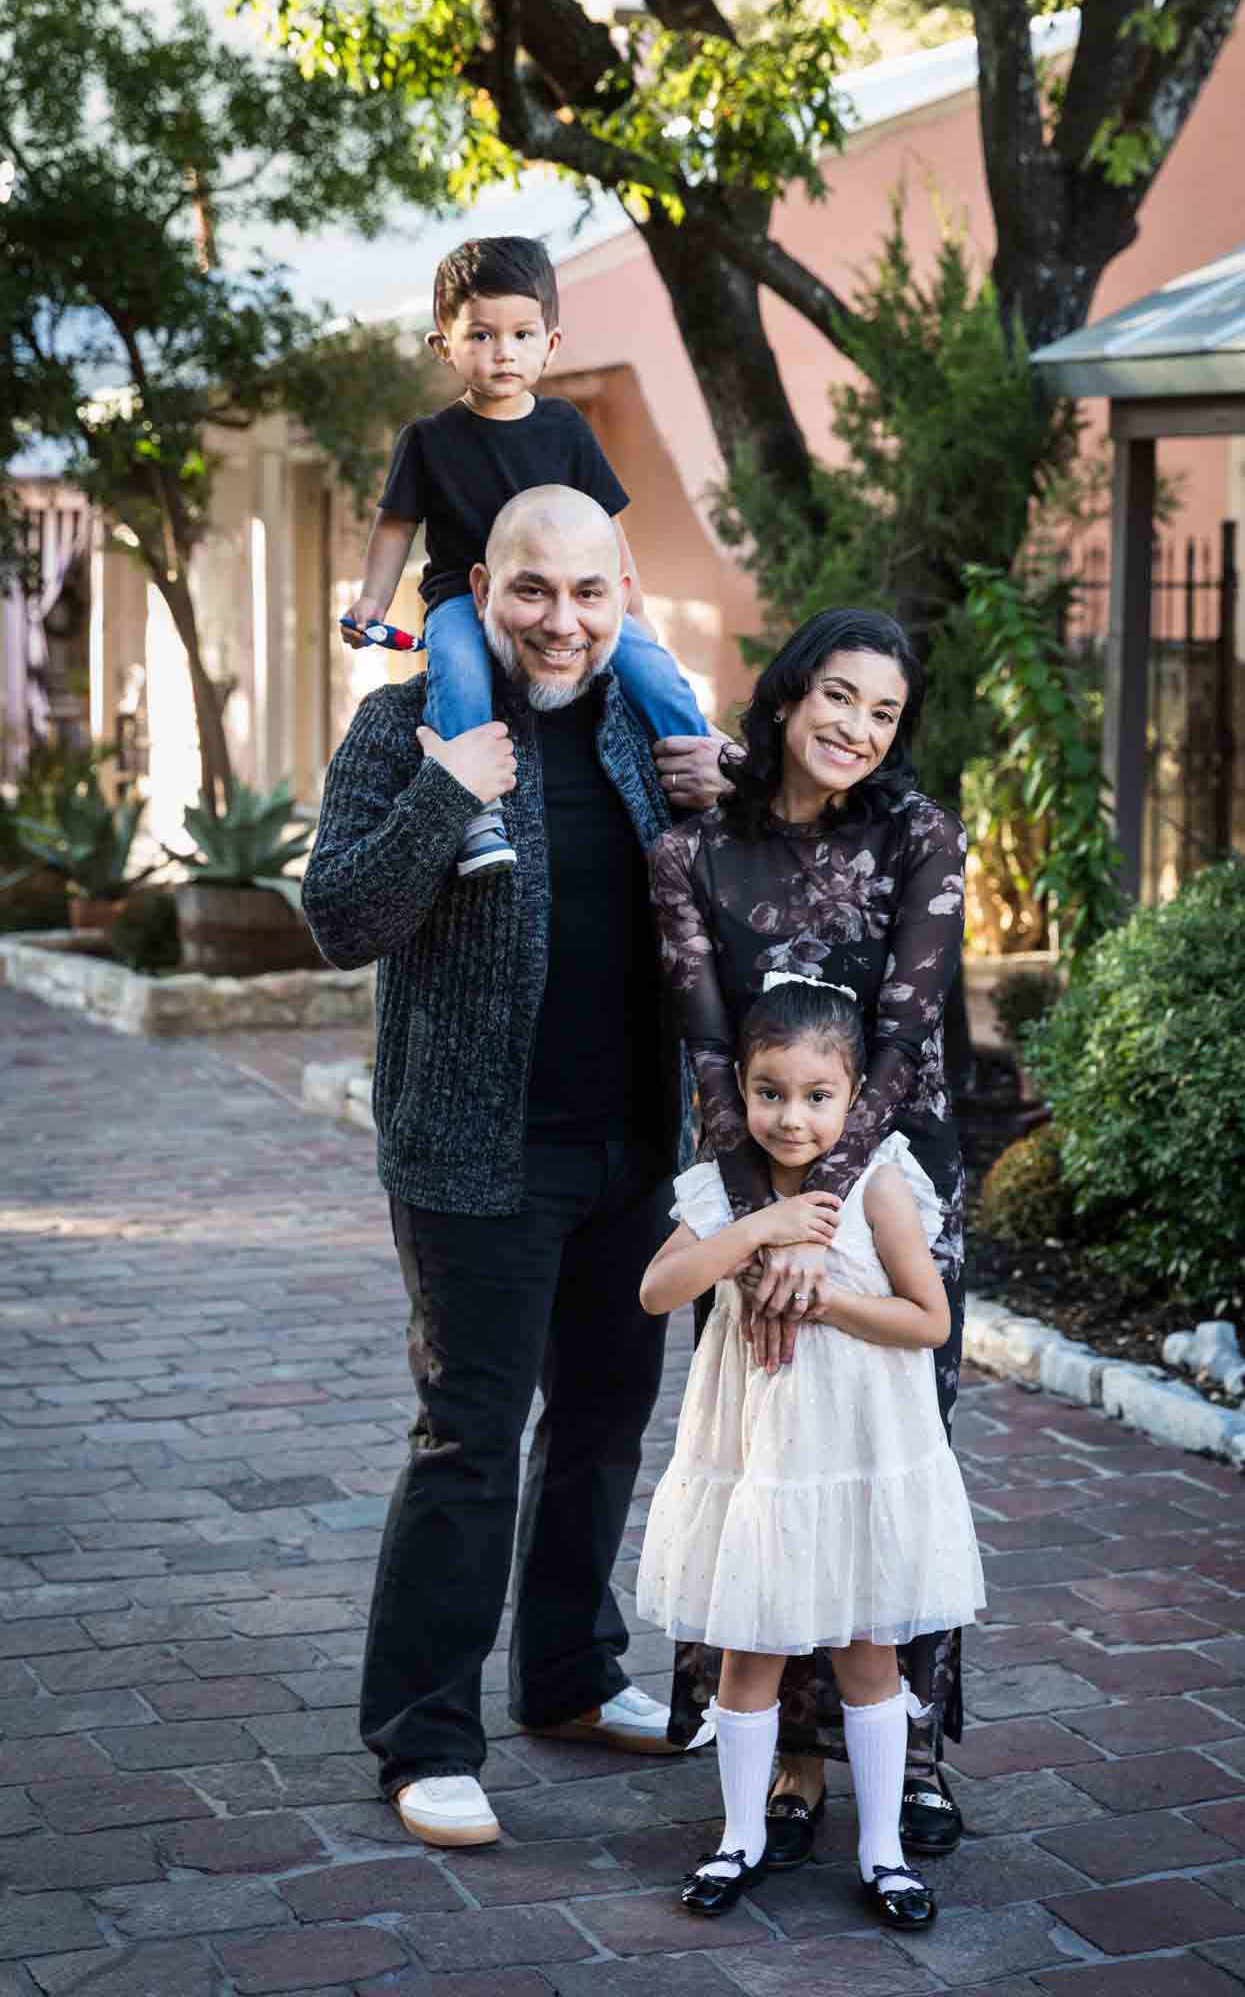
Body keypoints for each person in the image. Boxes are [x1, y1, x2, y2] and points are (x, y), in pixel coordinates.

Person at [302, 484, 727, 1851]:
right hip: (474, 1151)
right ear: (482, 590)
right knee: (470, 1440)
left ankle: (570, 1676)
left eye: (589, 593)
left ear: (622, 600)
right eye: (532, 591)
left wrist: (729, 813)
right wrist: (442, 795)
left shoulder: (649, 736)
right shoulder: (403, 724)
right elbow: (337, 918)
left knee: (605, 1421)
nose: (561, 619)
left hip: (631, 1148)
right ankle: (424, 1737)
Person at [648, 606, 972, 1868]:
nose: (855, 727)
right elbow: (707, 1045)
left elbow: (900, 1041)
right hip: (742, 1174)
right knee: (767, 1450)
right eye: (836, 696)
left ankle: (914, 1747)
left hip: (894, 1175)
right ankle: (783, 1747)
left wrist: (818, 1219)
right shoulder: (692, 851)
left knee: (893, 1451)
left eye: (883, 712)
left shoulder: (919, 834)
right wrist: (761, 1217)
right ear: (787, 696)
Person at [637, 977, 984, 1926]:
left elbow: (928, 1318)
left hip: (861, 1452)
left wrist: (820, 1298)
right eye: (769, 1093)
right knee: (747, 1651)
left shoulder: (879, 1183)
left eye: (817, 1096)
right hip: (762, 1466)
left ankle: (881, 1850)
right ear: (741, 1092)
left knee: (870, 1651)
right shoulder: (727, 1188)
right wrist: (757, 1230)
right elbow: (658, 1291)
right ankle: (738, 1837)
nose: (791, 1118)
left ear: (851, 1096)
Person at [341, 233, 708, 879]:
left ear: (551, 343)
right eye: (480, 336)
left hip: (567, 590)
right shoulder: (428, 441)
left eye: (521, 335)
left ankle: (701, 769)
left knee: (652, 665)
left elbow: (607, 529)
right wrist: (371, 600)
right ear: (443, 345)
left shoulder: (566, 428)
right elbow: (394, 526)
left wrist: (633, 607)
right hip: (460, 592)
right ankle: (476, 815)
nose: (502, 352)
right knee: (455, 663)